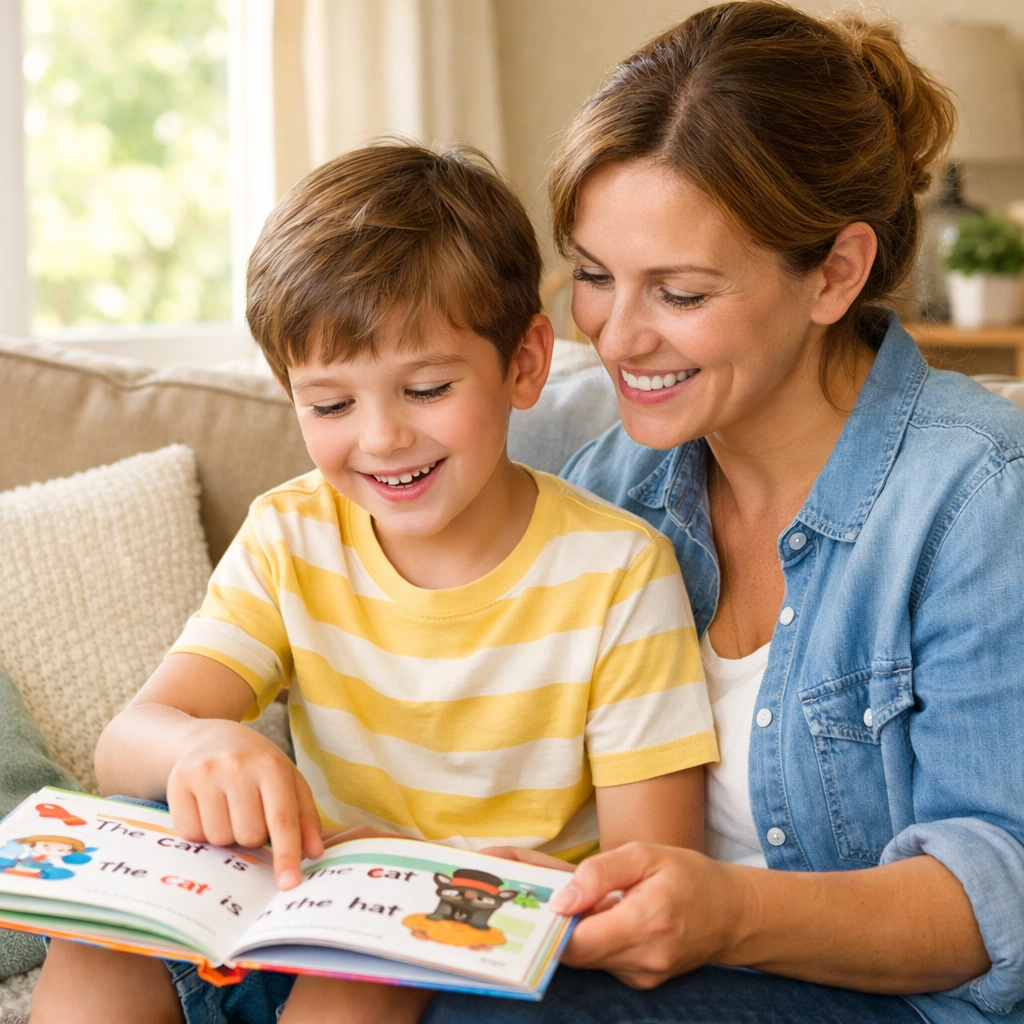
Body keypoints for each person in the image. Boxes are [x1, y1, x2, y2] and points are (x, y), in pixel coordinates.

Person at [420, 3, 1024, 1023]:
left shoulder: (973, 497)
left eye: (681, 293)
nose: (617, 337)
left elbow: (995, 894)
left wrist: (729, 914)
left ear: (835, 272)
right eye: (597, 277)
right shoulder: (610, 483)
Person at [29, 144, 719, 1024]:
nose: (383, 437)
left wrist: (431, 878)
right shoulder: (293, 534)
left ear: (524, 363)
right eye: (330, 405)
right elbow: (128, 742)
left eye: (425, 388)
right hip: (282, 921)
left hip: (468, 948)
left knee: (360, 977)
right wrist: (201, 748)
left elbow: (649, 875)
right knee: (100, 922)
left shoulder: (618, 573)